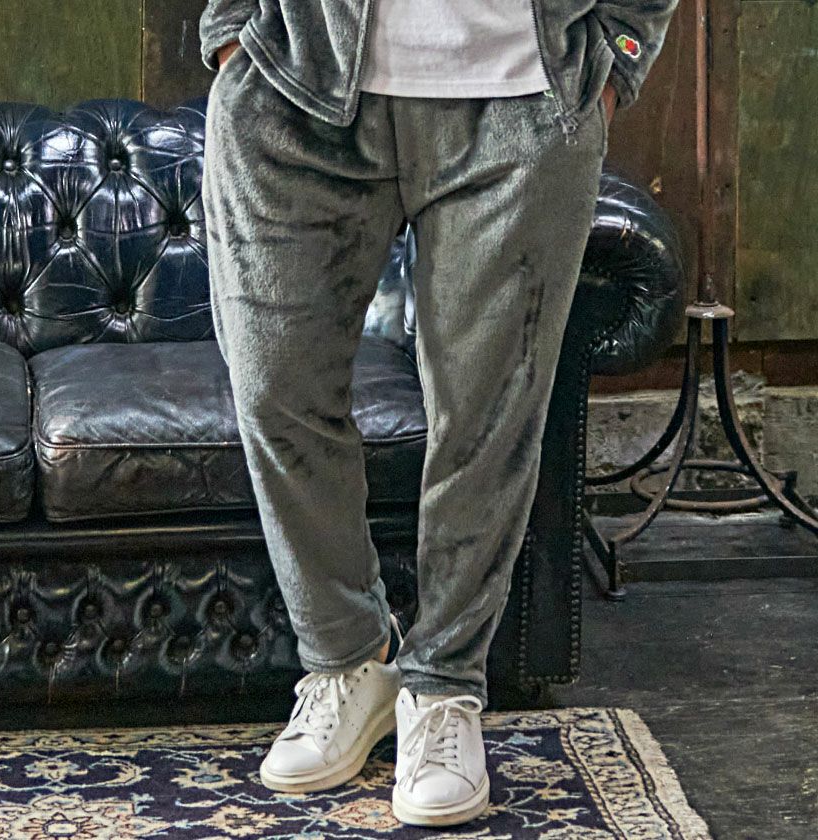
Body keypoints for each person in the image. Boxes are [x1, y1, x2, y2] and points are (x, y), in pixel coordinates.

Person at [199, 0, 678, 826]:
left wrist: (616, 56)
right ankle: (347, 660)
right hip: (296, 80)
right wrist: (231, 31)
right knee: (275, 388)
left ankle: (444, 686)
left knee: (488, 417)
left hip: (521, 99)